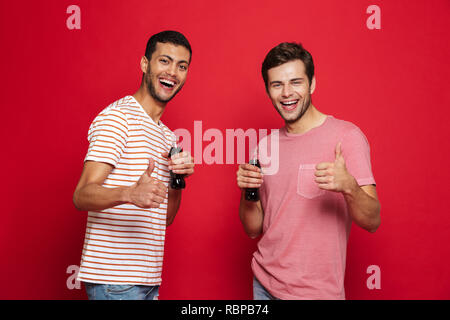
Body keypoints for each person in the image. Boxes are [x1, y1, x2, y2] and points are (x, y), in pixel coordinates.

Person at [236, 42, 381, 300]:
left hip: (317, 293)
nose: (287, 93)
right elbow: (253, 229)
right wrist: (249, 191)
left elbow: (372, 221)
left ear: (312, 84)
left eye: (296, 82)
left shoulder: (346, 137)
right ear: (268, 90)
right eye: (277, 84)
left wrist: (349, 186)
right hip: (264, 286)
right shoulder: (263, 147)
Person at [73, 30, 195, 300]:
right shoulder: (118, 119)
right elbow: (81, 195)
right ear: (144, 64)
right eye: (165, 61)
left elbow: (167, 218)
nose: (173, 72)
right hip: (114, 281)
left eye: (181, 66)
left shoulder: (168, 136)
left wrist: (178, 180)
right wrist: (129, 193)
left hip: (147, 280)